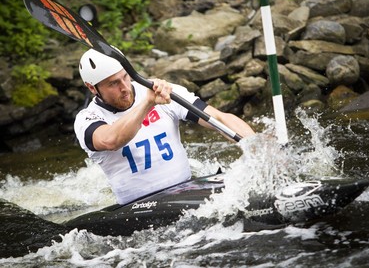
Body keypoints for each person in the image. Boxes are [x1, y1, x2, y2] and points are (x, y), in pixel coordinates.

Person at [74, 48, 255, 205]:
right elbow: (111, 140)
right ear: (92, 88)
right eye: (113, 83)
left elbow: (218, 118)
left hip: (186, 188)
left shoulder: (159, 90)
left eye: (125, 77)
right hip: (139, 205)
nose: (125, 88)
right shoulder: (87, 119)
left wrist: (256, 144)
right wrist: (148, 104)